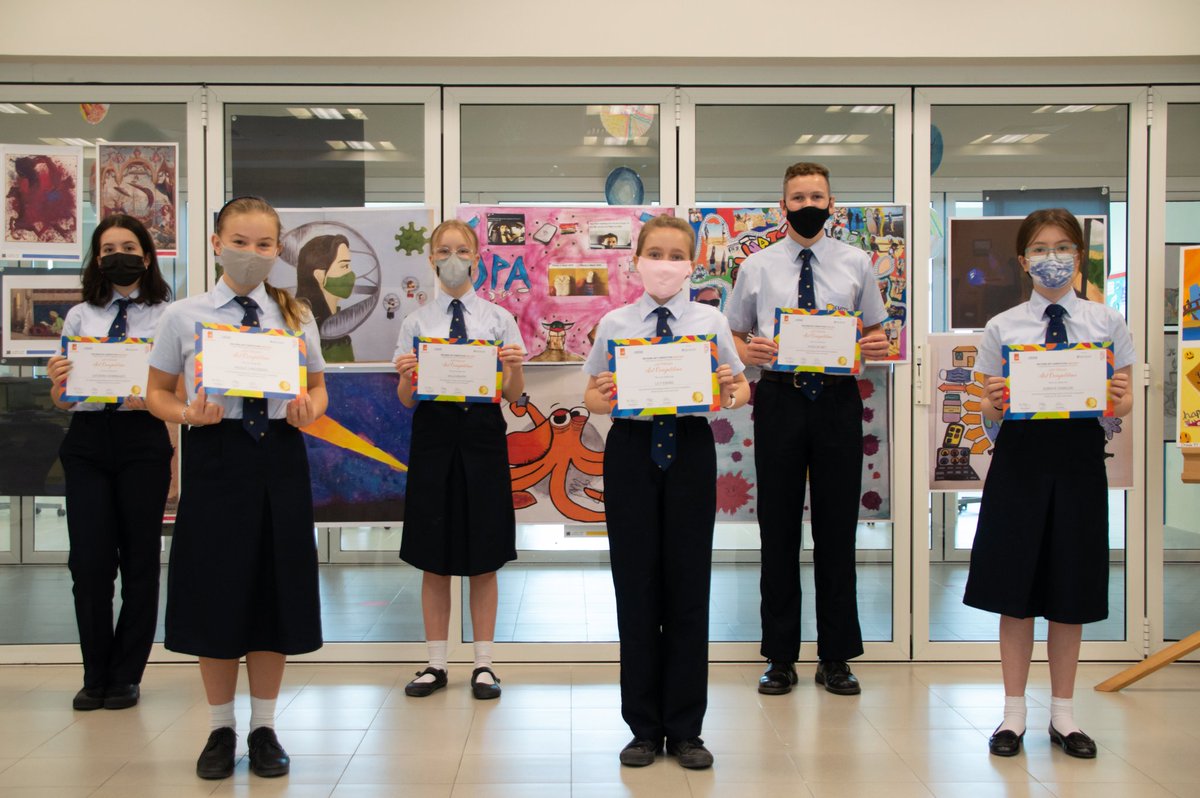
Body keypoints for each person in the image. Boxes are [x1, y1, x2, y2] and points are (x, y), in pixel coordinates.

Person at [145, 196, 328, 780]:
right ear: (217, 242)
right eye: (241, 242)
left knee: (275, 588)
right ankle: (220, 728)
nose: (252, 255)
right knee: (217, 590)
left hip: (279, 455)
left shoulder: (296, 314)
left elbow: (318, 392)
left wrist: (308, 411)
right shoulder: (183, 316)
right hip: (216, 456)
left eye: (265, 245)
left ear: (279, 251)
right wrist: (188, 416)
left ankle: (265, 727)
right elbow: (157, 394)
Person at [963, 208, 1135, 759]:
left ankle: (1064, 715)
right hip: (1019, 465)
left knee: (1070, 590)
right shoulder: (1001, 328)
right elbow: (988, 412)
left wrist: (1115, 399)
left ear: (1079, 256)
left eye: (1062, 247)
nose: (1051, 258)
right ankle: (1012, 714)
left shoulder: (1107, 323)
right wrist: (991, 406)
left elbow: (1124, 399)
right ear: (1022, 260)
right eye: (1039, 249)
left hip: (1080, 464)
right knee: (1015, 591)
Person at [583, 215, 750, 770]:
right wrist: (603, 395)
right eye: (655, 252)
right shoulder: (615, 321)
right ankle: (642, 729)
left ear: (692, 263)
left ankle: (685, 730)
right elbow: (593, 394)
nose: (665, 262)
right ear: (637, 259)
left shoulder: (710, 319)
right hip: (631, 452)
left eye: (676, 254)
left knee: (686, 587)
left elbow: (737, 384)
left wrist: (734, 389)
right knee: (635, 588)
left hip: (690, 451)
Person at [725, 162, 890, 697]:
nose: (807, 204)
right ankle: (780, 657)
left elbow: (875, 332)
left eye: (816, 195)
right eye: (797, 197)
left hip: (839, 400)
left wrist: (873, 347)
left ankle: (836, 656)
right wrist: (750, 351)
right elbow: (734, 335)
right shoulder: (756, 266)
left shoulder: (857, 262)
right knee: (777, 531)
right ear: (783, 206)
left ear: (831, 202)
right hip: (780, 398)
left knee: (837, 532)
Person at [46, 214, 174, 712]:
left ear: (145, 255)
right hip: (88, 441)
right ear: (97, 259)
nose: (116, 255)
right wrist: (58, 381)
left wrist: (157, 395)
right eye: (106, 249)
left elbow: (180, 386)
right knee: (90, 563)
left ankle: (126, 673)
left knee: (139, 561)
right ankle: (94, 672)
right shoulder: (81, 316)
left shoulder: (170, 314)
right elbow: (63, 398)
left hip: (142, 438)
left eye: (127, 246)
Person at [393, 219, 526, 701]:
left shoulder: (497, 318)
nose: (453, 258)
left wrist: (511, 366)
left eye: (462, 250)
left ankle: (485, 664)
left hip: (483, 438)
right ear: (431, 259)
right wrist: (407, 375)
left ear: (477, 257)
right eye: (444, 250)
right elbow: (407, 399)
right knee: (434, 556)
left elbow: (514, 394)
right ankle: (435, 662)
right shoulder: (416, 323)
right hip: (432, 439)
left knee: (484, 556)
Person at [294, 233, 358, 362]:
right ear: (319, 275)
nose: (351, 274)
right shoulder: (305, 326)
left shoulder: (338, 327)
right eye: (344, 266)